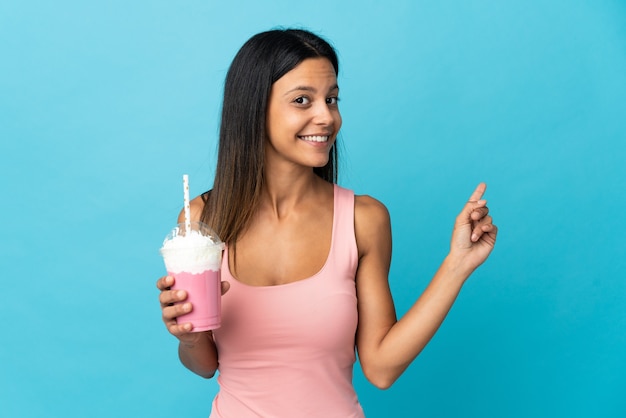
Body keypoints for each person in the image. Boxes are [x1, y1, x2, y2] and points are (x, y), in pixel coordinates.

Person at [156, 28, 497, 418]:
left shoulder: (363, 220)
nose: (327, 116)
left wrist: (458, 264)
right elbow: (204, 364)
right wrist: (187, 335)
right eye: (303, 100)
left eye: (331, 99)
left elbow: (382, 368)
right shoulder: (201, 221)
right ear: (253, 108)